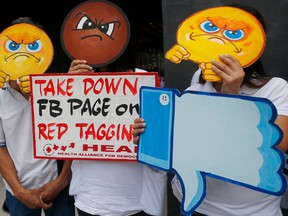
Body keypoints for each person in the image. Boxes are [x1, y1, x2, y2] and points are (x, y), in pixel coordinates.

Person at [132, 6, 288, 216]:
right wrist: (150, 138)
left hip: (255, 211)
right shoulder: (193, 92)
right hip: (198, 206)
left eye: (234, 34)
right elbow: (182, 147)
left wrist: (231, 98)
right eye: (209, 28)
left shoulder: (275, 88)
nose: (217, 40)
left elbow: (275, 147)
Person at [67, 58, 167, 216]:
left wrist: (146, 139)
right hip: (90, 197)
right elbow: (64, 133)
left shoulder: (144, 79)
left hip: (135, 199)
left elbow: (161, 139)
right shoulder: (74, 78)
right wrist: (66, 85)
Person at [0, 17, 78, 216]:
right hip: (19, 192)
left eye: (32, 45)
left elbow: (77, 135)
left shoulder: (57, 88)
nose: (23, 54)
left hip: (60, 187)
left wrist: (62, 180)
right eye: (14, 46)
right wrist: (19, 191)